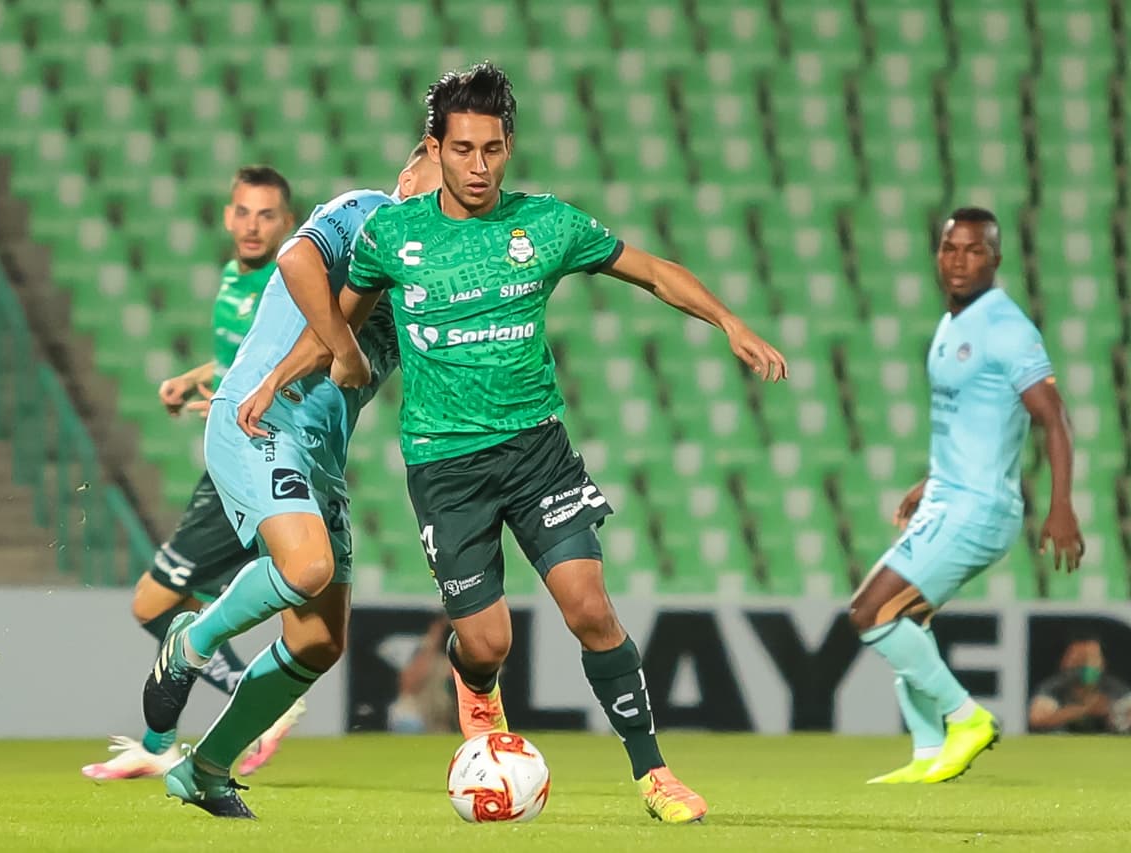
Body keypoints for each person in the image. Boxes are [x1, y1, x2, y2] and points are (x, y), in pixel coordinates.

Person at [259, 62, 787, 824]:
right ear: (433, 148)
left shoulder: (544, 226)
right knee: (487, 640)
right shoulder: (392, 235)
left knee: (590, 609)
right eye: (464, 149)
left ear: (510, 147)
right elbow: (334, 323)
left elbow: (651, 272)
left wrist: (730, 322)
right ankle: (476, 685)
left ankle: (654, 773)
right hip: (445, 465)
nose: (479, 167)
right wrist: (272, 381)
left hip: (537, 451)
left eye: (494, 149)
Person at [140, 144, 442, 818]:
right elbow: (295, 260)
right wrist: (331, 356)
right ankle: (191, 641)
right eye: (442, 177)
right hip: (259, 417)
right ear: (414, 166)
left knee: (318, 640)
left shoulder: (425, 274)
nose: (446, 199)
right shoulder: (364, 213)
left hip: (319, 453)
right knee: (307, 566)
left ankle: (206, 770)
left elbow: (336, 334)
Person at [83, 165, 305, 781]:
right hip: (233, 451)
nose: (253, 225)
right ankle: (183, 736)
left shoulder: (285, 283)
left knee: (153, 603)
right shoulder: (237, 281)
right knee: (205, 600)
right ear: (228, 215)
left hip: (250, 455)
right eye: (243, 211)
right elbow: (243, 355)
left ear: (287, 223)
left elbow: (297, 355)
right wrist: (200, 379)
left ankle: (208, 722)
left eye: (267, 214)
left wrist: (241, 400)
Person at [850, 207, 1085, 785]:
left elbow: (1053, 420)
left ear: (996, 259)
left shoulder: (1006, 328)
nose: (960, 260)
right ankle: (930, 752)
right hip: (950, 495)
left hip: (978, 508)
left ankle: (966, 717)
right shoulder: (954, 321)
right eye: (950, 248)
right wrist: (930, 480)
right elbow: (976, 419)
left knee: (870, 614)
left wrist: (1061, 506)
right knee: (907, 619)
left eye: (974, 250)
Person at [1029, 634, 1131, 734]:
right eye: (1077, 659)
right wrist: (1083, 710)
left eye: (1090, 659)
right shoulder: (1054, 687)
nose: (1083, 665)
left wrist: (1112, 713)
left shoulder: (1115, 688)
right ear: (1064, 662)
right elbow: (1037, 720)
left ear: (1102, 663)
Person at [387, 616, 457, 734]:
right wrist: (432, 641)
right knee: (408, 718)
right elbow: (408, 685)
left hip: (442, 721)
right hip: (416, 717)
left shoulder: (453, 661)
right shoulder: (420, 654)